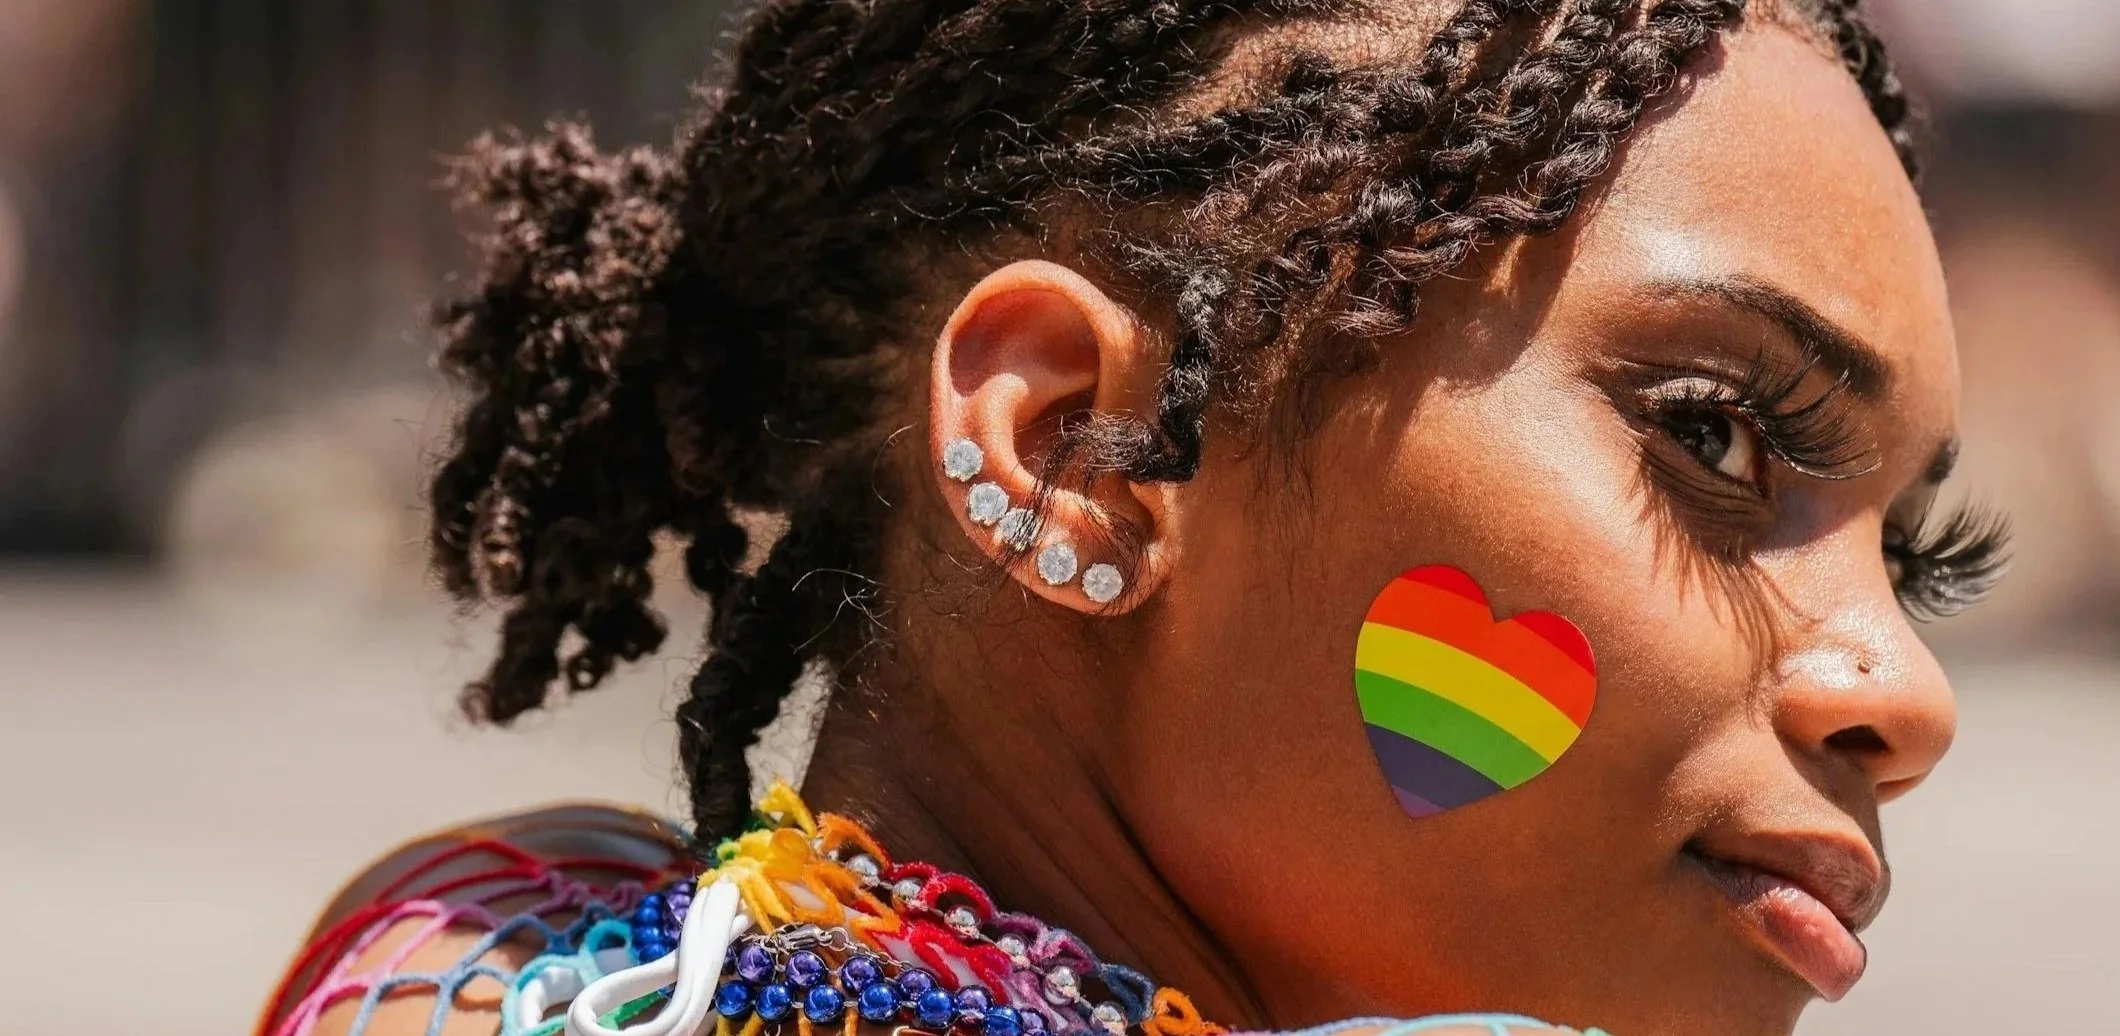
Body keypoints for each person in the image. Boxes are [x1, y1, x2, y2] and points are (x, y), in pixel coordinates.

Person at [262, 1, 2007, 1034]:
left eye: (1912, 557)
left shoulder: (491, 933)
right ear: (1080, 450)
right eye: (1715, 436)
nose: (1903, 695)